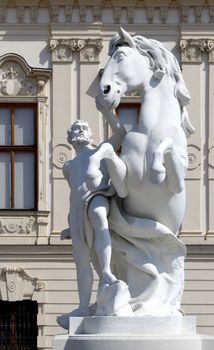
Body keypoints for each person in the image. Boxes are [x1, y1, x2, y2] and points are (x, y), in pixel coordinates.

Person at [61, 119, 121, 316]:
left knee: (98, 215)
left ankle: (106, 272)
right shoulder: (68, 166)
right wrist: (70, 224)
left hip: (98, 197)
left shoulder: (100, 153)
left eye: (84, 128)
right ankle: (83, 307)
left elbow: (121, 135)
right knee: (81, 261)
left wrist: (106, 112)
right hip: (77, 210)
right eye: (76, 129)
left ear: (90, 134)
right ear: (70, 137)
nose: (80, 131)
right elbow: (74, 193)